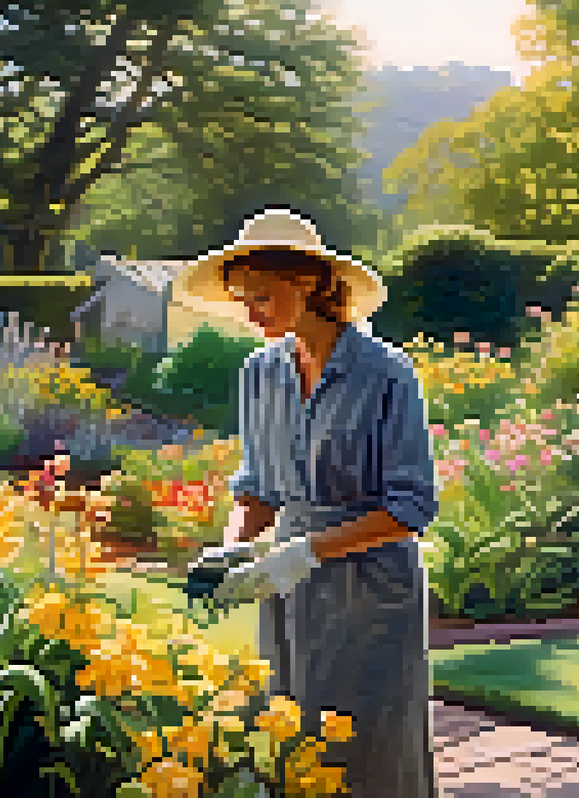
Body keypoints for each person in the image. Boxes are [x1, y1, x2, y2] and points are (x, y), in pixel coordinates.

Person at [173, 207, 438, 797]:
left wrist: (304, 553)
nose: (251, 313)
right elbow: (259, 490)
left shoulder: (387, 374)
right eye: (244, 298)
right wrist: (235, 548)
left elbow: (410, 506)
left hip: (371, 589)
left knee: (368, 748)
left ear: (312, 284)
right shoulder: (259, 372)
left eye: (262, 296)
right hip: (288, 588)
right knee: (294, 741)